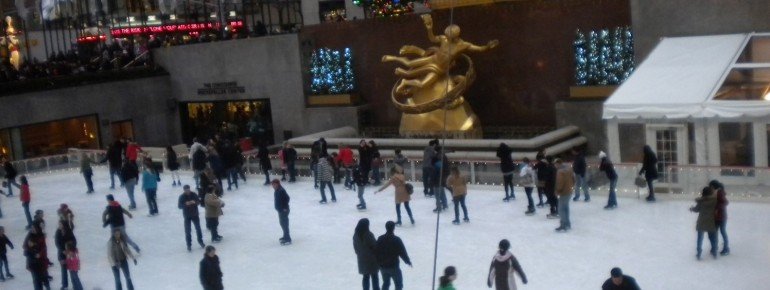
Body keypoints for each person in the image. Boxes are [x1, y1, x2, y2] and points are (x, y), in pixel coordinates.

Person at [376, 221, 412, 290]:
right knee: (398, 284)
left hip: (383, 267)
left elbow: (376, 251)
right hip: (394, 266)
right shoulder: (396, 240)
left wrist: (378, 262)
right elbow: (402, 252)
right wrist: (407, 261)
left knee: (386, 283)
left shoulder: (380, 238)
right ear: (393, 228)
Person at [690, 186, 718, 260]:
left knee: (700, 239)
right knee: (712, 238)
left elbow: (696, 209)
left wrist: (691, 208)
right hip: (711, 222)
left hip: (701, 221)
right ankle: (714, 252)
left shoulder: (701, 201)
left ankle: (699, 253)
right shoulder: (715, 201)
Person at [353, 218, 380, 290]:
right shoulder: (368, 234)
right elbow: (374, 246)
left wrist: (360, 254)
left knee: (365, 277)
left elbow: (355, 248)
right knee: (375, 277)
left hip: (362, 259)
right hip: (372, 260)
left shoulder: (356, 235)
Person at [179, 185, 206, 251]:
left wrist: (195, 202)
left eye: (188, 190)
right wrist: (185, 204)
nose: (188, 191)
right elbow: (179, 206)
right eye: (186, 190)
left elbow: (198, 202)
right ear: (184, 190)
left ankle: (200, 241)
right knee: (188, 231)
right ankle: (189, 245)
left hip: (195, 215)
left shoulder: (194, 194)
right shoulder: (182, 197)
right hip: (187, 216)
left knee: (198, 229)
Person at [55, 220, 76, 290]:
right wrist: (63, 250)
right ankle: (64, 284)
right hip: (62, 254)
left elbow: (74, 240)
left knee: (72, 269)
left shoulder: (69, 231)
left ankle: (74, 284)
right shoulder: (58, 232)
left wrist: (71, 249)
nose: (59, 226)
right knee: (63, 269)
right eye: (59, 224)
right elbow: (57, 243)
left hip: (70, 254)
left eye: (60, 224)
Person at [710, 180, 730, 255]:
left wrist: (717, 208)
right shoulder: (715, 192)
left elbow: (725, 202)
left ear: (713, 186)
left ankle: (726, 248)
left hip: (721, 217)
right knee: (715, 232)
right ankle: (715, 247)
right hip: (717, 217)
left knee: (722, 232)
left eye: (711, 186)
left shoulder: (720, 192)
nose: (710, 188)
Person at [554, 159, 575, 232]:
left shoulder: (560, 172)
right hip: (569, 191)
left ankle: (563, 225)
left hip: (563, 192)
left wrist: (558, 191)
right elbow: (573, 178)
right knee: (566, 208)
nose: (555, 166)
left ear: (558, 164)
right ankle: (568, 224)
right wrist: (571, 186)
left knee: (561, 209)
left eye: (555, 164)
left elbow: (559, 183)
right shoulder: (569, 168)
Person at [272, 179, 291, 245]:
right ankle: (285, 236)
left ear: (278, 184)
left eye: (274, 184)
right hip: (280, 210)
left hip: (283, 210)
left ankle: (288, 239)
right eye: (272, 184)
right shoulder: (277, 190)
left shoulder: (281, 190)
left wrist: (285, 207)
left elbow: (287, 198)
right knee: (282, 224)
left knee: (285, 224)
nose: (273, 186)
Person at [432, 147, 450, 213]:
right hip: (443, 176)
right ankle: (445, 205)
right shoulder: (443, 156)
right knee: (442, 191)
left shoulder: (438, 158)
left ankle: (439, 207)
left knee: (437, 194)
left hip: (438, 178)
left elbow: (437, 170)